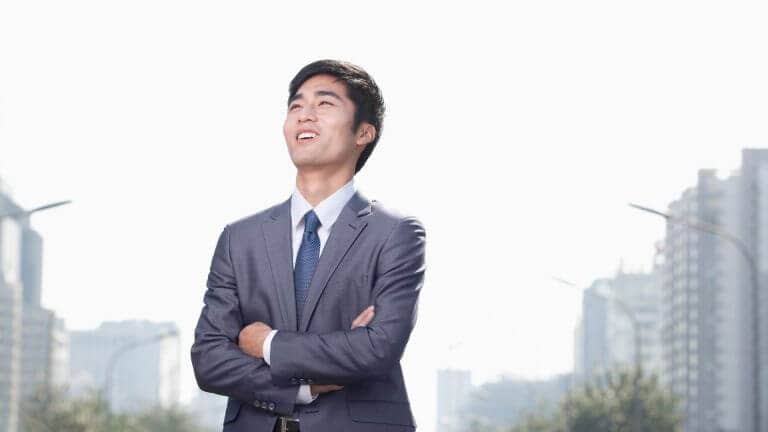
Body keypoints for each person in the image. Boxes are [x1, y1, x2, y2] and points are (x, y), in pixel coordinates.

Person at [191, 59, 426, 432]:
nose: (305, 115)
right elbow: (209, 359)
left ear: (364, 133)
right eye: (296, 106)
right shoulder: (239, 239)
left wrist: (266, 343)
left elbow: (376, 349)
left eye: (324, 104)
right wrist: (305, 385)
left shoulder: (396, 235)